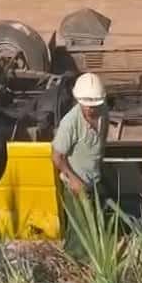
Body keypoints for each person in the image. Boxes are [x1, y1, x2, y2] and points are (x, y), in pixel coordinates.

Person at [52, 73, 110, 257]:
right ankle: (77, 262)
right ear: (78, 100)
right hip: (75, 184)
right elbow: (57, 156)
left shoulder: (103, 112)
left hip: (94, 177)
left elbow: (101, 140)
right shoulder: (70, 124)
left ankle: (91, 257)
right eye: (87, 106)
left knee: (94, 223)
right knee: (80, 232)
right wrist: (74, 180)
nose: (92, 110)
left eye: (95, 105)